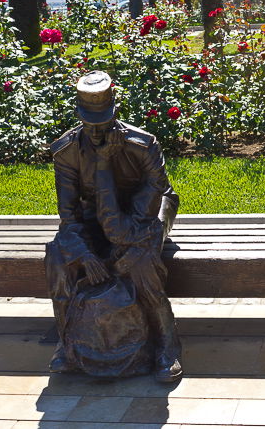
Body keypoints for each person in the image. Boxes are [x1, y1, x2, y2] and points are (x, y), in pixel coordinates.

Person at [45, 70, 182, 382]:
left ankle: (167, 344)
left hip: (149, 209)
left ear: (115, 114)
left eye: (103, 122)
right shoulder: (67, 152)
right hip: (95, 214)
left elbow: (146, 207)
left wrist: (104, 164)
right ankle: (67, 343)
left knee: (141, 259)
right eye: (89, 123)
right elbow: (69, 216)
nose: (96, 131)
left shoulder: (143, 146)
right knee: (57, 258)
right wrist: (84, 255)